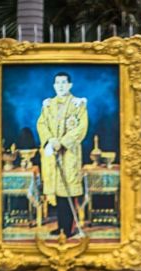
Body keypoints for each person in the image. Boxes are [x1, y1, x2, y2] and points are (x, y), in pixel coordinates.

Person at [37, 71, 88, 238]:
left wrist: (62, 142)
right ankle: (60, 227)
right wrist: (50, 140)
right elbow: (42, 124)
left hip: (69, 154)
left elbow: (81, 128)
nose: (60, 86)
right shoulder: (48, 105)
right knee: (58, 193)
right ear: (54, 85)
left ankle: (69, 229)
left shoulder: (78, 104)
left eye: (63, 83)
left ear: (70, 85)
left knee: (67, 192)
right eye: (57, 83)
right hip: (53, 154)